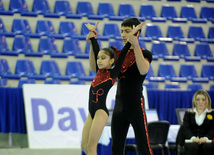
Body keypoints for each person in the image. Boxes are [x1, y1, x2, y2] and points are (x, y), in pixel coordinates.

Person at [89, 17, 153, 155]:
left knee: (144, 146)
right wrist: (91, 43)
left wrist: (135, 45)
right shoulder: (117, 55)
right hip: (119, 106)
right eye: (122, 31)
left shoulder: (145, 54)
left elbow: (143, 70)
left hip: (136, 105)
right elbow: (95, 67)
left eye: (127, 31)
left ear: (137, 33)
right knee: (116, 148)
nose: (123, 34)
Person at [181, 90, 214, 155]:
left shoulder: (212, 113)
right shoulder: (188, 113)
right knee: (193, 147)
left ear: (207, 101)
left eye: (203, 100)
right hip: (191, 140)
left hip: (207, 140)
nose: (200, 102)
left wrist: (205, 138)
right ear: (194, 101)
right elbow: (186, 128)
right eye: (198, 99)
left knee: (208, 147)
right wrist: (193, 138)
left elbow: (213, 129)